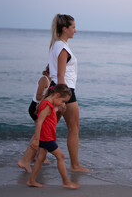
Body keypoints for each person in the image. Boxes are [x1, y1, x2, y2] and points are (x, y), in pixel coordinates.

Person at [48, 13, 90, 172]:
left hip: (57, 89)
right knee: (74, 128)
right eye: (73, 27)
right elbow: (60, 75)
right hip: (64, 90)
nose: (75, 31)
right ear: (65, 29)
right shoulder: (62, 48)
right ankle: (75, 165)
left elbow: (54, 72)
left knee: (49, 126)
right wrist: (63, 99)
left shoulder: (56, 44)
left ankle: (33, 157)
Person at [22, 84, 80, 189]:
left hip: (47, 136)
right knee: (60, 156)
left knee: (40, 158)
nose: (63, 104)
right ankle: (66, 182)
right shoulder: (47, 105)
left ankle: (31, 180)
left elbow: (50, 113)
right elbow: (39, 122)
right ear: (57, 95)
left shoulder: (48, 103)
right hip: (46, 137)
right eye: (63, 101)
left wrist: (59, 110)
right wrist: (36, 140)